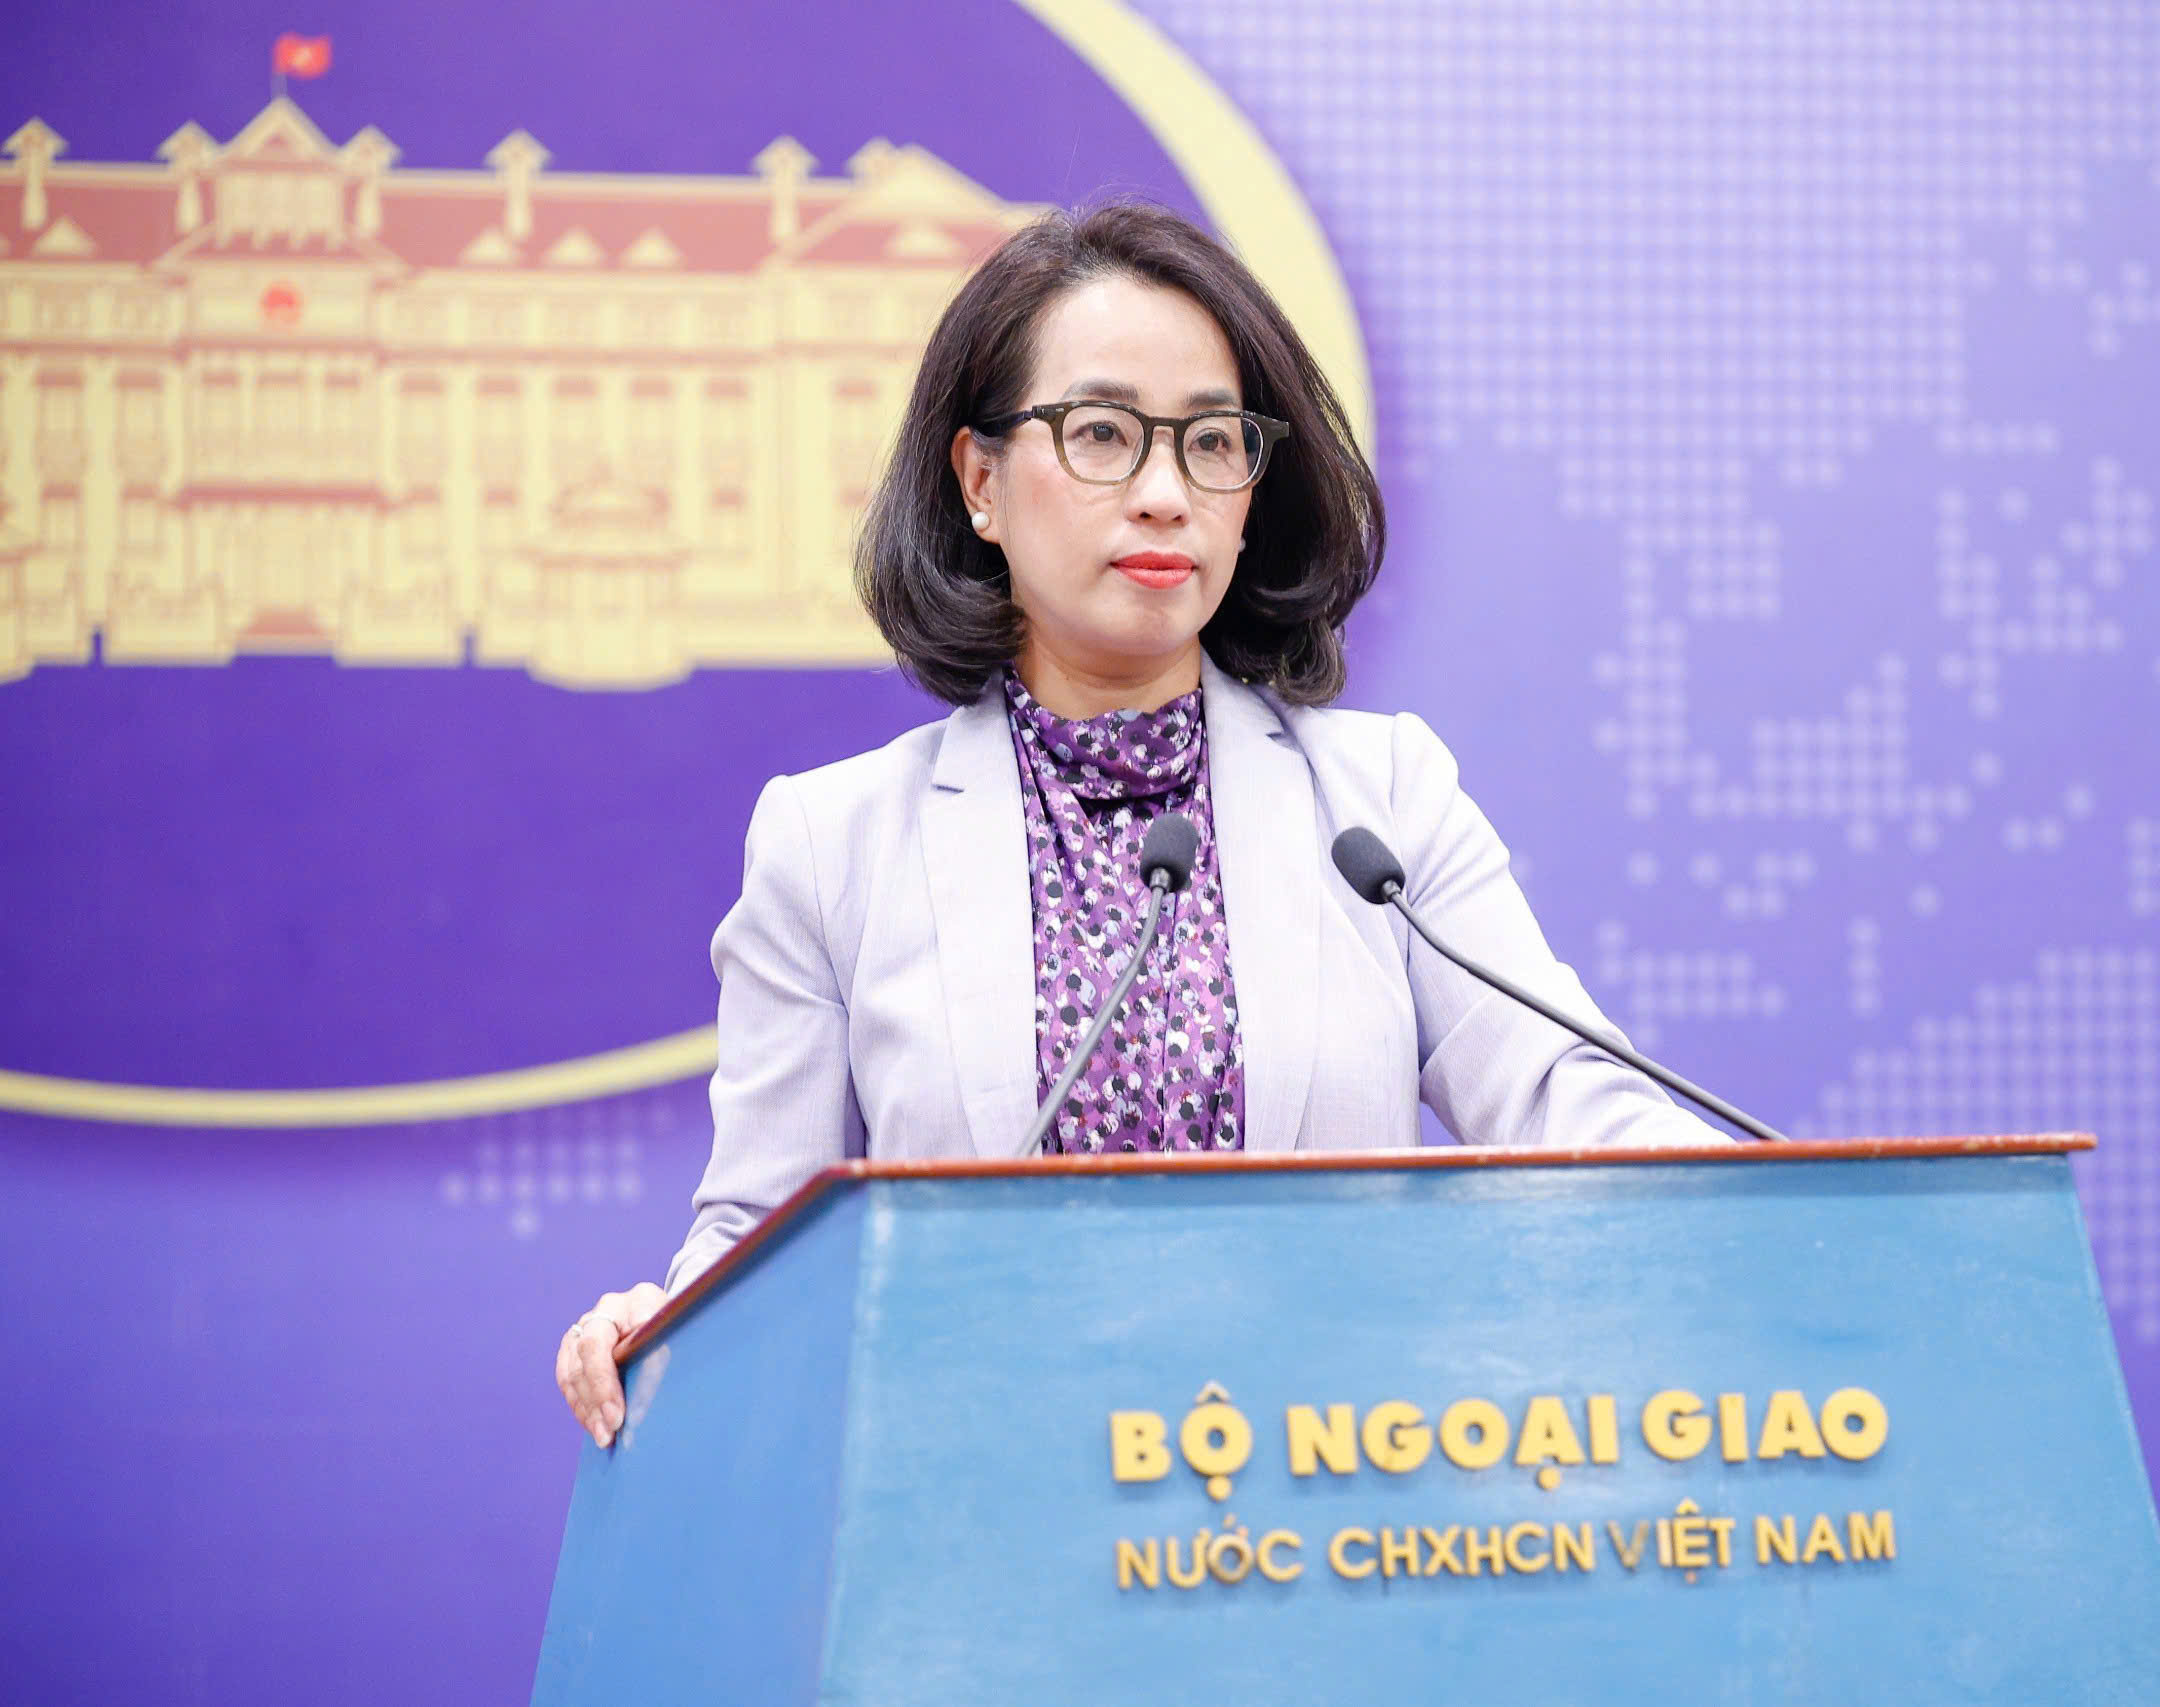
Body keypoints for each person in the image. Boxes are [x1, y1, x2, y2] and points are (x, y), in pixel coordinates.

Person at [556, 202, 1723, 1446]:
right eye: (1103, 434)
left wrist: (1769, 1217)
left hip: (1327, 1493)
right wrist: (665, 1322)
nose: (1166, 495)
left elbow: (1561, 1094)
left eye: (1212, 442)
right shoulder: (832, 845)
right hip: (985, 1488)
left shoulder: (1381, 800)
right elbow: (759, 1240)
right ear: (981, 483)